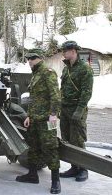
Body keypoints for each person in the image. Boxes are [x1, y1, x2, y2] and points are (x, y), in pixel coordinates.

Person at [16, 49, 61, 194]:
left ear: (40, 58)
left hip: (48, 119)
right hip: (34, 118)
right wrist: (28, 115)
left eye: (32, 58)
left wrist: (53, 115)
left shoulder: (48, 72)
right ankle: (32, 175)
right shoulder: (35, 74)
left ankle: (56, 181)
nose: (29, 61)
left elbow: (55, 96)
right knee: (33, 147)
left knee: (50, 147)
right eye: (28, 59)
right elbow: (33, 99)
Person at [59, 41, 93, 182]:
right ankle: (74, 167)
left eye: (65, 51)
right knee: (67, 139)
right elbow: (62, 89)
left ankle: (83, 169)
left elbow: (86, 92)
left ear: (73, 51)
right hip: (65, 108)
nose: (63, 53)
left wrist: (79, 110)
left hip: (76, 109)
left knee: (78, 139)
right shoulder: (66, 69)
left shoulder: (85, 68)